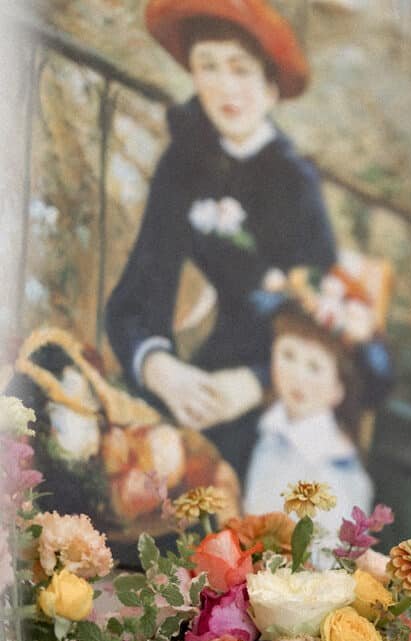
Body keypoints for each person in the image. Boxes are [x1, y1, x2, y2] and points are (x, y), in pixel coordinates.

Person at [105, 0, 337, 480]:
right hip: (193, 378)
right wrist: (159, 368)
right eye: (207, 67)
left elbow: (323, 323)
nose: (225, 88)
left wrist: (255, 383)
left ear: (271, 88)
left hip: (274, 390)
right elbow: (143, 285)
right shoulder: (183, 162)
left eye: (241, 70)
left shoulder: (295, 183)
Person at [243, 268, 392, 534]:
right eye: (288, 355)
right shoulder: (271, 428)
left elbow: (333, 555)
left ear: (339, 389)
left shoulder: (335, 468)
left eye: (314, 367)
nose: (297, 377)